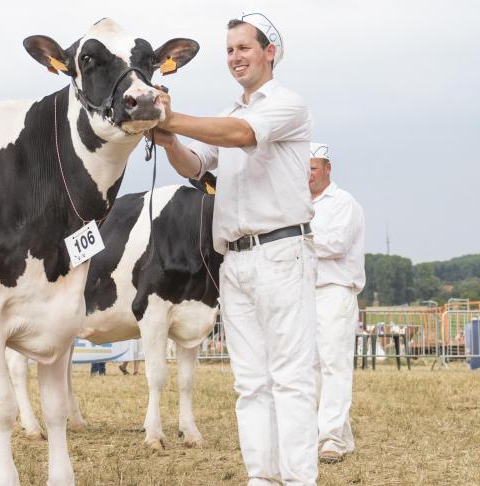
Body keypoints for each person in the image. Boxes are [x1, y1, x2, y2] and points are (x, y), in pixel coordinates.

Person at [152, 12, 318, 485]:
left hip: (281, 250)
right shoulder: (227, 115)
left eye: (244, 47)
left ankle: (299, 478)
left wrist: (171, 117)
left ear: (270, 52)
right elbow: (194, 165)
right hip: (236, 257)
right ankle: (262, 477)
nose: (235, 57)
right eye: (229, 50)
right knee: (249, 381)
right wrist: (168, 139)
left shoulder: (287, 105)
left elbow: (242, 136)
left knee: (289, 377)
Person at [308, 143, 365, 464]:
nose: (307, 175)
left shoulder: (344, 202)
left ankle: (331, 437)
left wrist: (297, 237)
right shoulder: (297, 203)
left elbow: (336, 244)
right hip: (304, 291)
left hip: (335, 289)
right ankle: (334, 435)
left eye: (313, 168)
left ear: (328, 169)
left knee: (334, 364)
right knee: (310, 366)